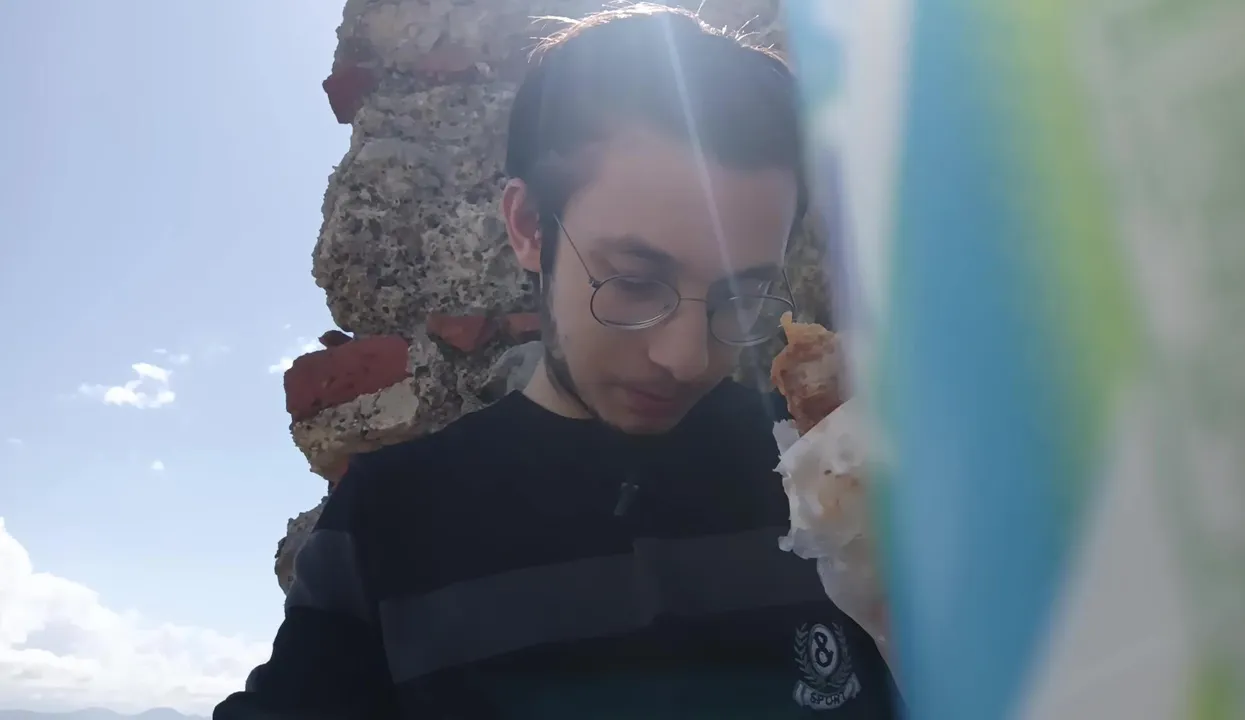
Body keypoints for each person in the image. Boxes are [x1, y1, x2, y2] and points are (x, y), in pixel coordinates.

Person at [214, 5, 902, 718]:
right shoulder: (389, 525)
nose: (686, 356)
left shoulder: (835, 480)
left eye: (742, 295)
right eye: (634, 280)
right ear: (527, 228)